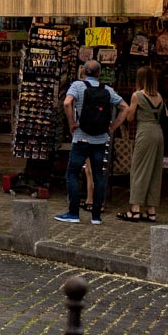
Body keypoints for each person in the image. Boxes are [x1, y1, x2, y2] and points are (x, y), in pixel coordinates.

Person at [55, 59, 122, 225]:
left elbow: (66, 103)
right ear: (99, 74)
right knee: (98, 176)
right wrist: (112, 127)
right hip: (100, 140)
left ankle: (73, 212)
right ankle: (96, 216)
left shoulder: (78, 86)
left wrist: (71, 123)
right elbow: (125, 107)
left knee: (72, 173)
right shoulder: (108, 90)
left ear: (83, 73)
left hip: (81, 138)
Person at [119, 66, 166, 222]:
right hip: (158, 133)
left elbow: (130, 117)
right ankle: (151, 210)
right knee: (154, 171)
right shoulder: (159, 96)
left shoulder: (137, 95)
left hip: (144, 132)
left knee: (138, 169)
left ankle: (135, 209)